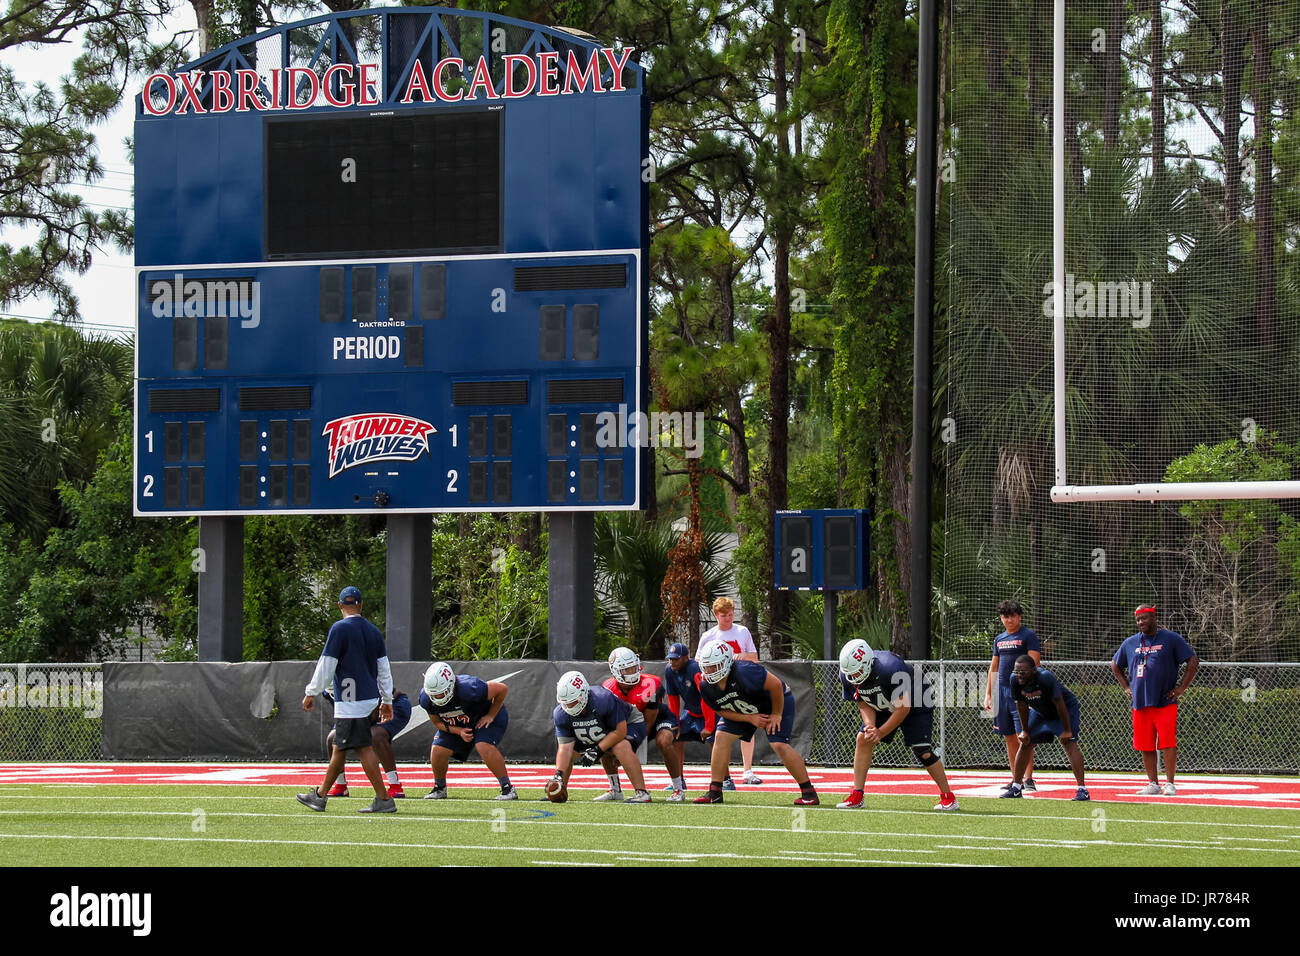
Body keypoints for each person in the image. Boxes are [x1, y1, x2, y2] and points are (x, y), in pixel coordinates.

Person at [297, 586, 396, 813]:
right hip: (368, 697)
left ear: (340, 605)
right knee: (345, 748)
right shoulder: (373, 631)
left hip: (349, 699)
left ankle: (381, 799)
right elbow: (384, 669)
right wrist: (387, 699)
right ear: (361, 605)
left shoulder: (339, 629)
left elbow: (327, 664)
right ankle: (321, 796)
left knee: (353, 748)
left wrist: (311, 691)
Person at [834, 639, 959, 811]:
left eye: (858, 672)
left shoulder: (890, 667)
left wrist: (881, 732)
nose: (854, 677)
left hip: (916, 699)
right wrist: (870, 727)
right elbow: (862, 702)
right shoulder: (847, 674)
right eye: (851, 674)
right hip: (882, 701)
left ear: (868, 662)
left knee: (923, 750)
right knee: (863, 738)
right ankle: (857, 795)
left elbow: (903, 708)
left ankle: (949, 797)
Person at [693, 642, 818, 806]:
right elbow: (720, 710)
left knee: (779, 744)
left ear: (725, 663)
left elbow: (775, 686)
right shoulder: (706, 686)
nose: (709, 672)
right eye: (706, 667)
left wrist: (776, 714)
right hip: (744, 708)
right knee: (721, 736)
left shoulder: (745, 671)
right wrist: (749, 718)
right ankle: (715, 791)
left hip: (773, 702)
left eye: (714, 666)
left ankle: (809, 792)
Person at [1111, 605, 1199, 796]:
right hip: (1140, 703)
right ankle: (1153, 783)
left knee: (1167, 742)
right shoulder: (1131, 642)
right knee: (1145, 745)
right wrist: (1126, 687)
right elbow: (1115, 665)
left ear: (1153, 617)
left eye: (1144, 618)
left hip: (1164, 701)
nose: (1141, 622)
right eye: (1138, 620)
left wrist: (1181, 688)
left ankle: (1169, 783)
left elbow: (1192, 660)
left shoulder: (1171, 638)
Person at [418, 661, 516, 800]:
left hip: (484, 715)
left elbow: (502, 689)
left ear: (451, 684)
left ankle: (508, 788)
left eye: (441, 693)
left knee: (483, 745)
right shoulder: (426, 698)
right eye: (434, 694)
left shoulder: (470, 688)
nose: (437, 698)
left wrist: (490, 715)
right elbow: (437, 722)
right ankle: (439, 788)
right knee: (438, 749)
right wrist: (459, 731)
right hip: (460, 723)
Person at [550, 670, 653, 803]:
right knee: (574, 751)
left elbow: (619, 731)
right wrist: (558, 775)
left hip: (630, 722)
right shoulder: (560, 713)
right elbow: (565, 749)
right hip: (601, 730)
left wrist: (597, 750)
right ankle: (563, 786)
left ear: (583, 694)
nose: (568, 706)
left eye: (572, 702)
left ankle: (642, 792)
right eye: (565, 702)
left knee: (619, 745)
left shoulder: (602, 699)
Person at [602, 647, 687, 801]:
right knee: (605, 742)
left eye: (634, 667)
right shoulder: (608, 689)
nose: (632, 672)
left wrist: (630, 748)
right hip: (630, 724)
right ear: (615, 671)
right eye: (627, 670)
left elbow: (648, 722)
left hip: (658, 720)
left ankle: (678, 789)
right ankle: (615, 790)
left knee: (664, 741)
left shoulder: (650, 684)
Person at [1002, 655, 1089, 801]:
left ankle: (1082, 790)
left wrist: (1067, 730)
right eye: (1016, 672)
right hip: (1041, 711)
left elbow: (1060, 703)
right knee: (1025, 742)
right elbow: (1022, 705)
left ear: (1033, 670)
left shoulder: (1045, 677)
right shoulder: (1014, 679)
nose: (1019, 675)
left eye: (1023, 672)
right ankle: (1016, 788)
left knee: (1069, 743)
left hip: (1064, 709)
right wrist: (1025, 730)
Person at [699, 596, 763, 785]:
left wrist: (738, 656)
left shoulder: (742, 631)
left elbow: (754, 657)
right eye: (724, 615)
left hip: (741, 685)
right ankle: (722, 776)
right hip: (719, 688)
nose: (728, 618)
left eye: (730, 614)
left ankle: (748, 770)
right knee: (719, 733)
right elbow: (699, 662)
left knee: (748, 728)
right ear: (716, 615)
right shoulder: (708, 636)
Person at [983, 600, 1042, 791]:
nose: (1009, 620)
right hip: (1002, 693)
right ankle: (1014, 779)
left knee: (1023, 736)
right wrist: (988, 694)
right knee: (1008, 736)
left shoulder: (1028, 636)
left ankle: (1028, 779)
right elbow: (994, 667)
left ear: (1019, 616)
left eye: (1012, 616)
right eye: (1005, 616)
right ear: (1001, 618)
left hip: (1022, 692)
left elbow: (1035, 665)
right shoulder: (999, 639)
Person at [662, 642, 736, 791]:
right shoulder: (669, 671)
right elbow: (673, 699)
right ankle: (679, 780)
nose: (672, 662)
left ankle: (726, 780)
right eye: (670, 659)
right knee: (675, 737)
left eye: (675, 659)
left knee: (715, 742)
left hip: (709, 709)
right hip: (690, 711)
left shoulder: (695, 669)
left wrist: (709, 725)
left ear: (685, 658)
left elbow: (705, 698)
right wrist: (674, 723)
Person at [325, 688, 412, 798]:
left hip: (389, 704)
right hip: (357, 712)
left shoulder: (358, 681)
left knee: (376, 736)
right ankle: (340, 785)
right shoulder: (327, 692)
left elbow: (380, 704)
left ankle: (395, 786)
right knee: (332, 738)